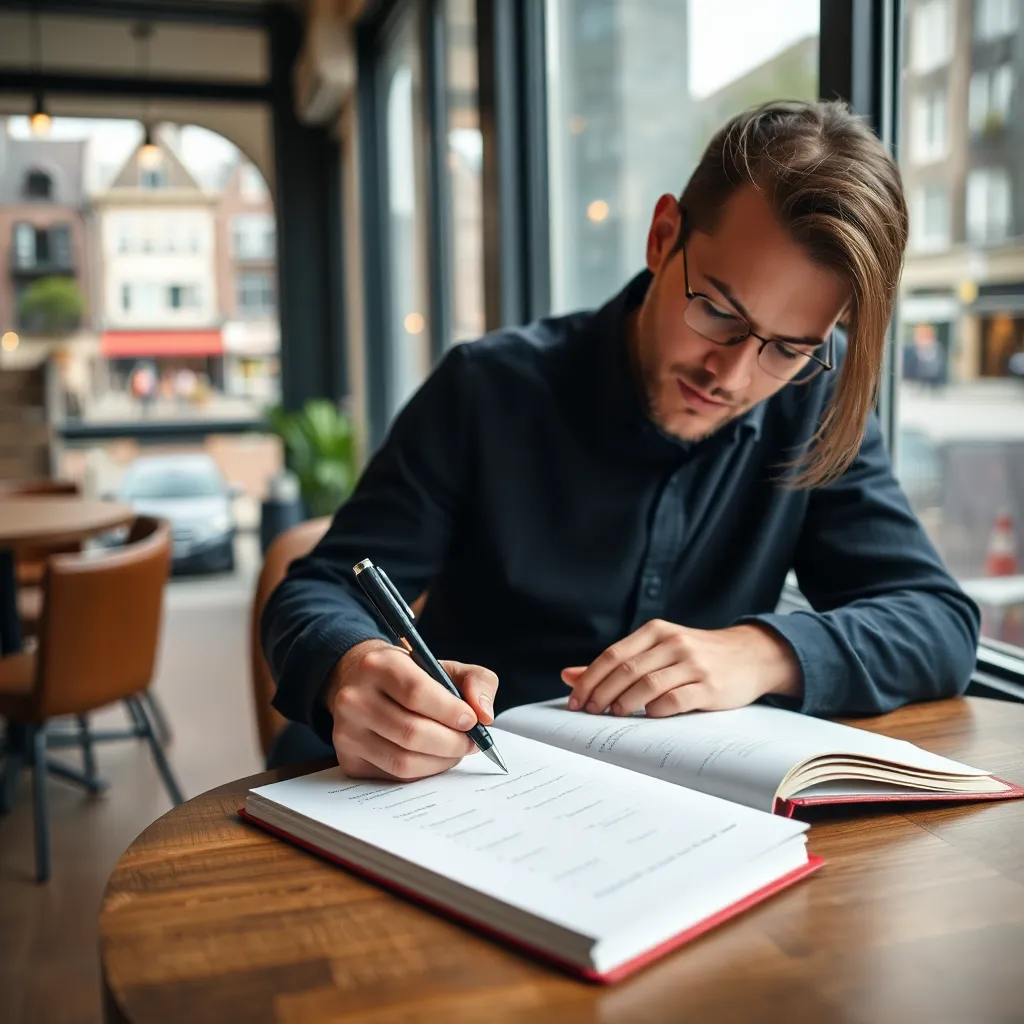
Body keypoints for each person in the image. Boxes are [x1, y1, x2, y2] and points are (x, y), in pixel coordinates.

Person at [262, 100, 979, 779]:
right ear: (663, 237)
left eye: (788, 348)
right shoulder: (487, 388)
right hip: (466, 786)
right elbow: (318, 591)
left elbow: (938, 623)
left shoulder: (813, 398)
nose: (731, 375)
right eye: (718, 312)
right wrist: (351, 667)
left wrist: (761, 653)